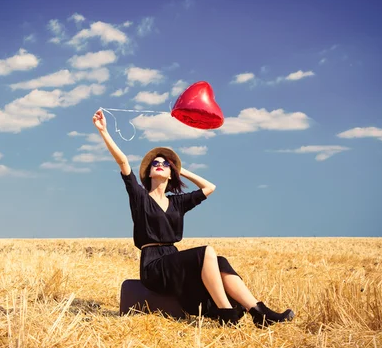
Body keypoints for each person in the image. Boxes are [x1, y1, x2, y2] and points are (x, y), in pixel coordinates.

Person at [93, 109, 295, 327]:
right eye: (155, 163)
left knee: (220, 262)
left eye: (165, 163)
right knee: (206, 251)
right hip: (154, 265)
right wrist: (104, 131)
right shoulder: (140, 197)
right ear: (149, 173)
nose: (160, 164)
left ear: (171, 173)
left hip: (173, 257)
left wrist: (182, 169)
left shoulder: (177, 202)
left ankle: (259, 312)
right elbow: (123, 163)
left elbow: (210, 187)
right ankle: (226, 314)